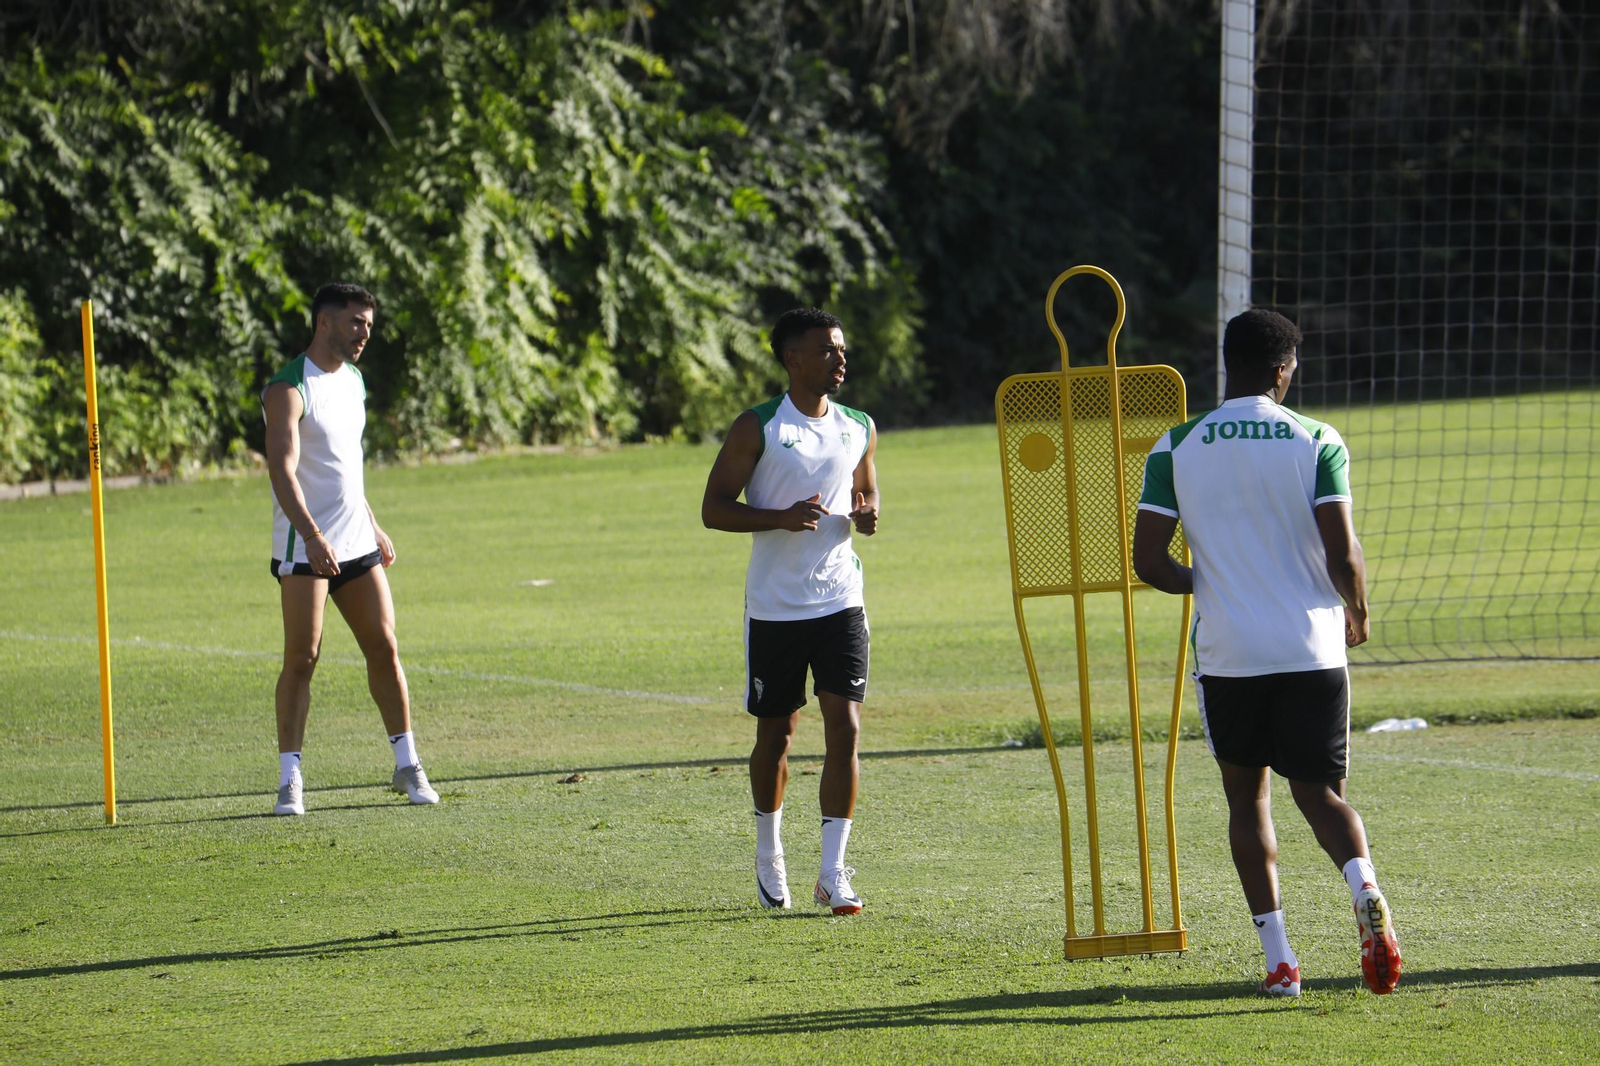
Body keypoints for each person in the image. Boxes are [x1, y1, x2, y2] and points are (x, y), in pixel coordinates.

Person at [1132, 308, 1401, 996]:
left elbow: (1149, 563)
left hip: (1230, 652)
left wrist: (1210, 581)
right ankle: (1365, 888)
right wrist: (1357, 608)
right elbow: (1343, 551)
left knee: (1247, 800)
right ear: (1284, 369)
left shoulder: (1175, 445)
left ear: (1229, 363)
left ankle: (1281, 963)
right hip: (1311, 645)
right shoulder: (1318, 439)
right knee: (1321, 795)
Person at [701, 307, 880, 914]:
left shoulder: (858, 426)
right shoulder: (758, 427)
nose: (840, 359)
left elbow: (865, 486)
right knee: (776, 734)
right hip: (776, 607)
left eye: (842, 348)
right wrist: (779, 517)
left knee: (845, 728)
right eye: (827, 350)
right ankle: (768, 852)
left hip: (840, 599)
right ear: (792, 359)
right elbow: (714, 507)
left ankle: (832, 872)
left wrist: (868, 512)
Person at [262, 282, 439, 816]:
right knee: (303, 657)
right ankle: (290, 779)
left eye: (369, 324)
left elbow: (345, 466)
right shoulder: (289, 387)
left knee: (384, 646)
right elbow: (282, 471)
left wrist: (372, 523)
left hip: (356, 541)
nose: (365, 333)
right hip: (305, 546)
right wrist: (312, 537)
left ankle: (407, 764)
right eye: (356, 322)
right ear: (325, 322)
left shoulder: (355, 381)